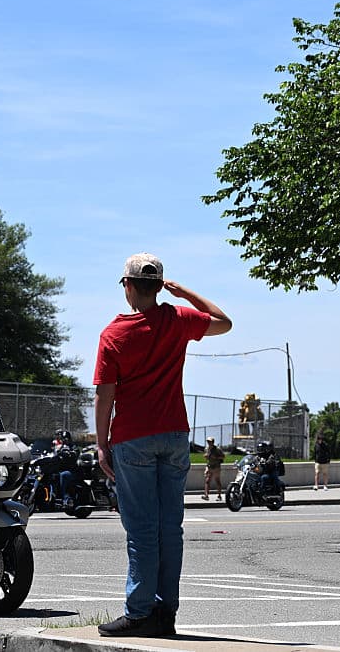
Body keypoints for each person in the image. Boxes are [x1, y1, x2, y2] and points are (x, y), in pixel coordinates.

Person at [94, 252, 231, 637]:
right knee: (171, 529)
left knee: (141, 530)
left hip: (133, 438)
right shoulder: (177, 319)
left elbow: (104, 395)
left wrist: (102, 443)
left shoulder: (113, 334)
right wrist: (184, 292)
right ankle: (164, 612)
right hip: (174, 435)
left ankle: (138, 612)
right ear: (158, 286)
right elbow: (224, 322)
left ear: (128, 286)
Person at [202, 436, 224, 501]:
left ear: (213, 442)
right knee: (207, 481)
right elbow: (207, 457)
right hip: (209, 466)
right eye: (208, 441)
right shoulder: (206, 449)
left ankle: (219, 496)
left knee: (217, 481)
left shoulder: (217, 449)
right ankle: (206, 495)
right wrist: (206, 456)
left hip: (216, 467)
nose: (208, 443)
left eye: (210, 441)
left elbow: (223, 457)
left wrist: (216, 457)